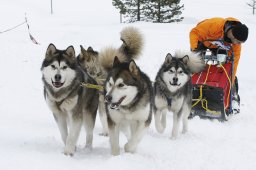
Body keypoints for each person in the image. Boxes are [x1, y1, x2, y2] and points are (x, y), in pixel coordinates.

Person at [189, 17, 249, 114]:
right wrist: (195, 48)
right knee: (197, 66)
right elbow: (194, 32)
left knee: (227, 68)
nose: (239, 44)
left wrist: (230, 80)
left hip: (221, 47)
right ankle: (193, 91)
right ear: (233, 35)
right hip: (204, 41)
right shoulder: (214, 25)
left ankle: (230, 96)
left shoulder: (236, 46)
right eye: (238, 42)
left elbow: (234, 66)